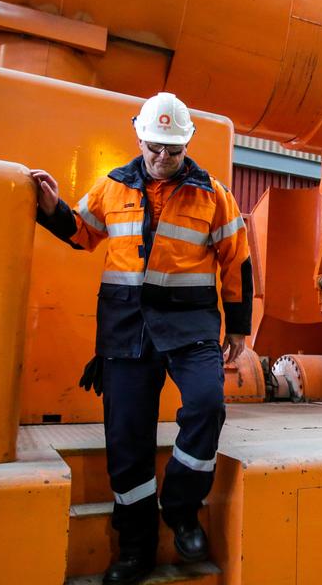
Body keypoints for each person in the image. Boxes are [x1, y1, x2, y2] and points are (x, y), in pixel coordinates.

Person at [29, 93, 251, 584]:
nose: (162, 159)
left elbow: (237, 260)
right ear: (140, 138)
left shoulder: (214, 195)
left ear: (187, 144)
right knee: (127, 439)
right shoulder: (112, 187)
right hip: (126, 330)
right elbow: (82, 233)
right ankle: (136, 547)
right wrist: (51, 208)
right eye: (154, 148)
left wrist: (238, 326)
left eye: (172, 151)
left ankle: (181, 508)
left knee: (207, 405)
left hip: (191, 327)